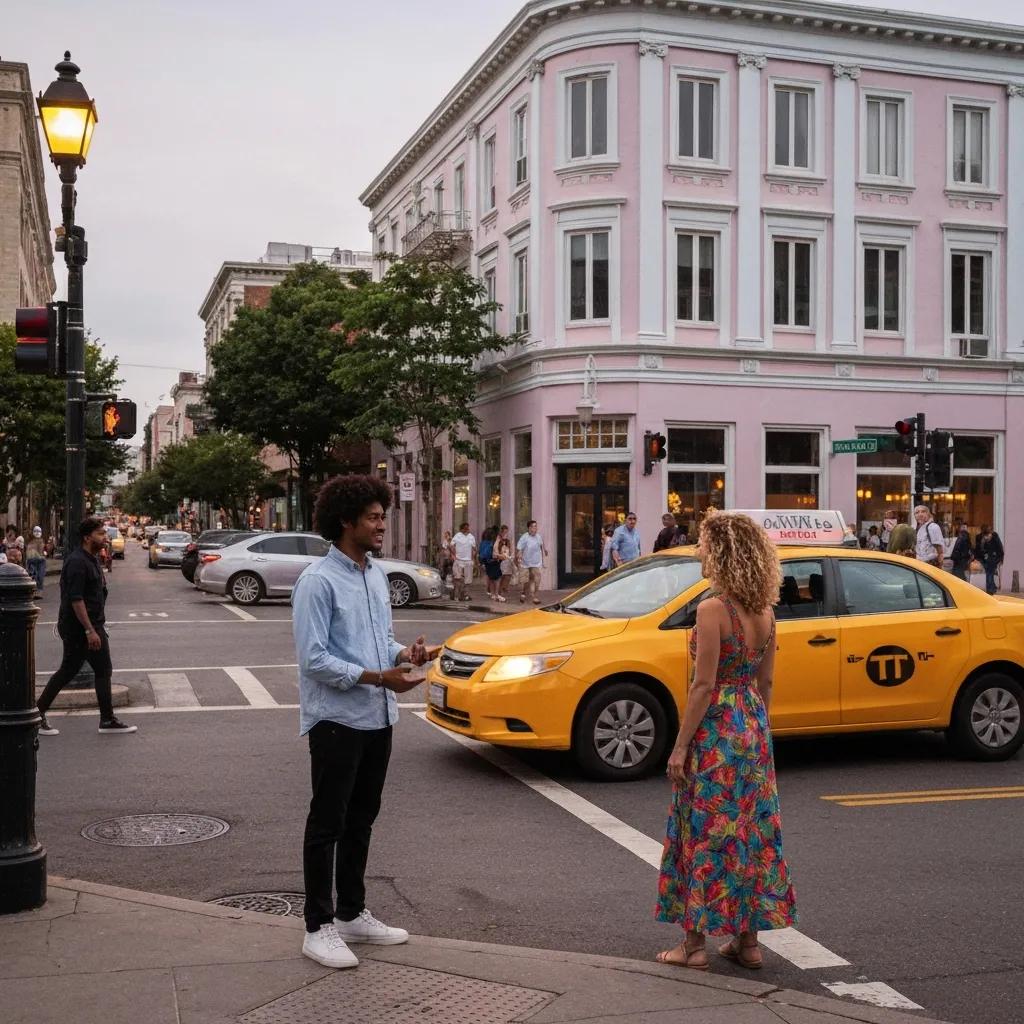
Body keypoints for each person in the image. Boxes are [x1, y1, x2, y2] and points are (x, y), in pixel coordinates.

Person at [292, 474, 435, 970]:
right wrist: (380, 677)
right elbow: (314, 660)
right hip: (337, 719)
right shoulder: (317, 581)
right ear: (345, 520)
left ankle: (351, 913)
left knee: (362, 819)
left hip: (378, 716)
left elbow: (379, 638)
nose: (381, 524)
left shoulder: (375, 574)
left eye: (382, 515)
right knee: (326, 823)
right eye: (372, 517)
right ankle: (318, 926)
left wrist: (406, 654)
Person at [656, 511, 796, 971]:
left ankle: (693, 944)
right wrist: (756, 731)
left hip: (716, 729)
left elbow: (703, 685)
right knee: (748, 834)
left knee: (704, 831)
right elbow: (768, 682)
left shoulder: (714, 610)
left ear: (721, 553)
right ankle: (748, 942)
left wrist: (680, 746)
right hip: (752, 725)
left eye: (703, 544)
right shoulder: (766, 613)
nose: (698, 551)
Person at [35, 517, 137, 738]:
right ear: (87, 537)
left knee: (89, 670)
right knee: (81, 670)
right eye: (100, 533)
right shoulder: (77, 562)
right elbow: (76, 599)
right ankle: (105, 719)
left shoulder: (90, 559)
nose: (105, 537)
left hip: (90, 625)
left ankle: (105, 719)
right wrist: (89, 630)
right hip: (80, 628)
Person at [516, 519, 547, 604]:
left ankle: (535, 596)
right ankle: (524, 592)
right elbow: (519, 549)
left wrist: (544, 553)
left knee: (537, 578)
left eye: (536, 526)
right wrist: (519, 556)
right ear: (529, 528)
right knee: (527, 580)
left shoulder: (538, 536)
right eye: (534, 526)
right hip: (525, 562)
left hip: (535, 562)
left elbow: (541, 546)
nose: (535, 528)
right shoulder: (524, 537)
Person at [975, 525, 1004, 595]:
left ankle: (990, 590)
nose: (987, 537)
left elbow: (1000, 547)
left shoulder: (994, 536)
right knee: (989, 573)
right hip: (984, 558)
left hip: (993, 558)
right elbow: (979, 549)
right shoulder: (979, 537)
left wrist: (1001, 558)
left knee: (989, 573)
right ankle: (992, 588)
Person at [451, 522, 476, 602]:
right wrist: (454, 555)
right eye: (465, 528)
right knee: (457, 579)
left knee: (468, 580)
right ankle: (456, 596)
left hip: (468, 561)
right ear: (461, 529)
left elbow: (474, 549)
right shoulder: (457, 535)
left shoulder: (471, 537)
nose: (467, 530)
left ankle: (465, 595)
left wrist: (473, 559)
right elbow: (451, 545)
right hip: (458, 560)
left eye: (467, 528)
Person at [480, 527, 503, 602]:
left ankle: (493, 594)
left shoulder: (483, 542)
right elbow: (494, 554)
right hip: (493, 561)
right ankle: (496, 594)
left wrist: (482, 563)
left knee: (491, 578)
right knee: (498, 578)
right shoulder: (492, 543)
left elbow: (481, 554)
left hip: (487, 562)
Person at [25, 526, 47, 595]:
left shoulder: (41, 541)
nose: (37, 533)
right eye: (35, 531)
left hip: (40, 560)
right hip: (32, 560)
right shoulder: (30, 541)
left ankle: (39, 591)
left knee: (40, 576)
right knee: (34, 576)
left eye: (38, 531)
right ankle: (34, 591)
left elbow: (44, 550)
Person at [495, 524, 513, 601]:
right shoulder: (498, 539)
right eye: (504, 532)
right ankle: (498, 593)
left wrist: (511, 556)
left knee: (507, 576)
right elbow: (496, 550)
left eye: (507, 531)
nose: (506, 533)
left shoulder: (508, 540)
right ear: (501, 532)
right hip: (501, 560)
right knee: (501, 577)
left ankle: (502, 590)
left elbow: (510, 549)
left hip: (507, 560)